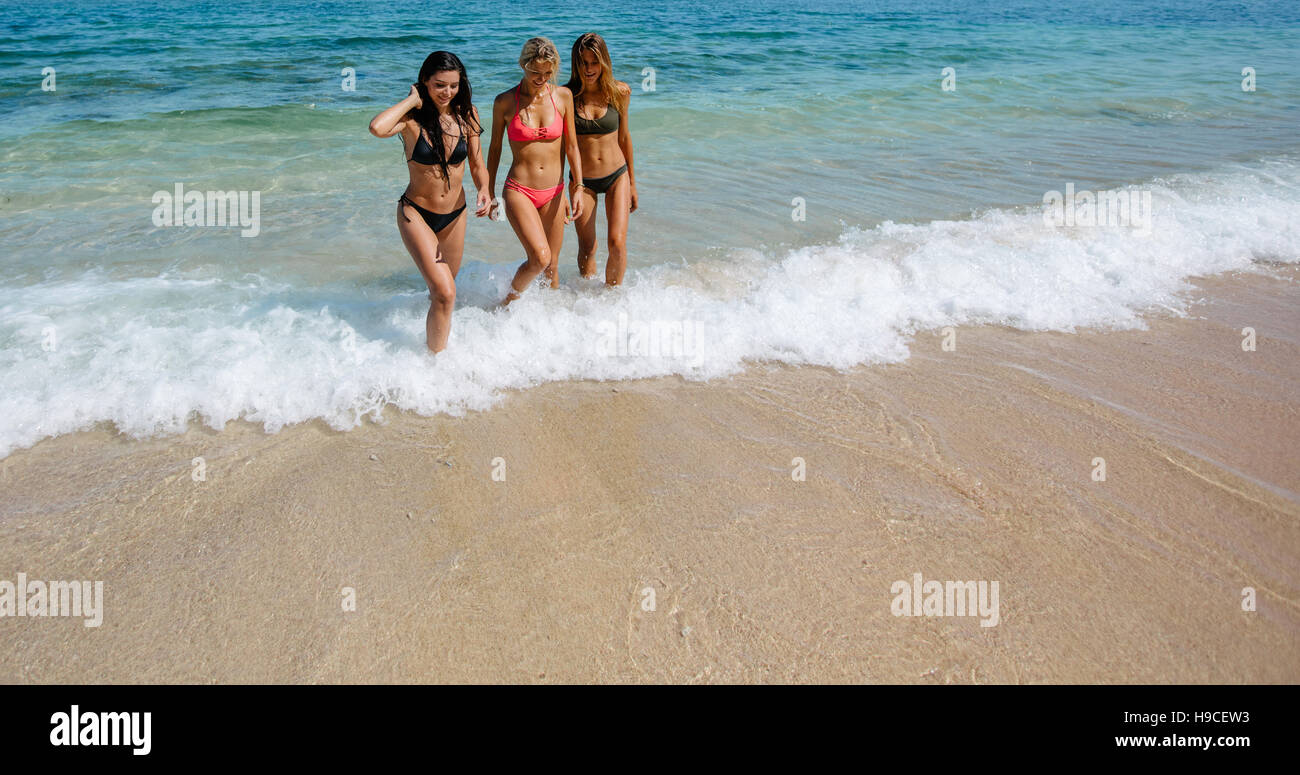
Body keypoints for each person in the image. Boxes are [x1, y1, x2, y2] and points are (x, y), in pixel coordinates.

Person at [369, 51, 490, 352]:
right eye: (439, 85)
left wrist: (485, 189)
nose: (447, 92)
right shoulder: (411, 120)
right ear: (425, 81)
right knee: (446, 293)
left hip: (455, 215)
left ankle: (434, 348)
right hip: (417, 214)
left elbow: (477, 164)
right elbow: (377, 128)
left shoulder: (467, 114)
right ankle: (434, 364)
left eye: (453, 85)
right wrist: (412, 99)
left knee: (442, 291)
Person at [485, 37, 583, 304]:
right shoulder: (504, 102)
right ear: (522, 65)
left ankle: (548, 328)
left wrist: (578, 188)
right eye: (535, 72)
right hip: (519, 190)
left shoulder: (563, 97)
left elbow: (572, 147)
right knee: (540, 257)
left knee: (551, 270)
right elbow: (494, 150)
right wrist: (489, 193)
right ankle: (506, 305)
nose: (541, 78)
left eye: (548, 73)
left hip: (555, 191)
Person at [564, 33, 637, 286]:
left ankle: (612, 300)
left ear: (603, 62)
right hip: (583, 182)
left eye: (594, 62)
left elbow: (625, 138)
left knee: (617, 243)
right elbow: (560, 146)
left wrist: (633, 185)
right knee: (587, 247)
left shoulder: (620, 92)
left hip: (617, 175)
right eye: (582, 63)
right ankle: (588, 302)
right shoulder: (566, 96)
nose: (588, 69)